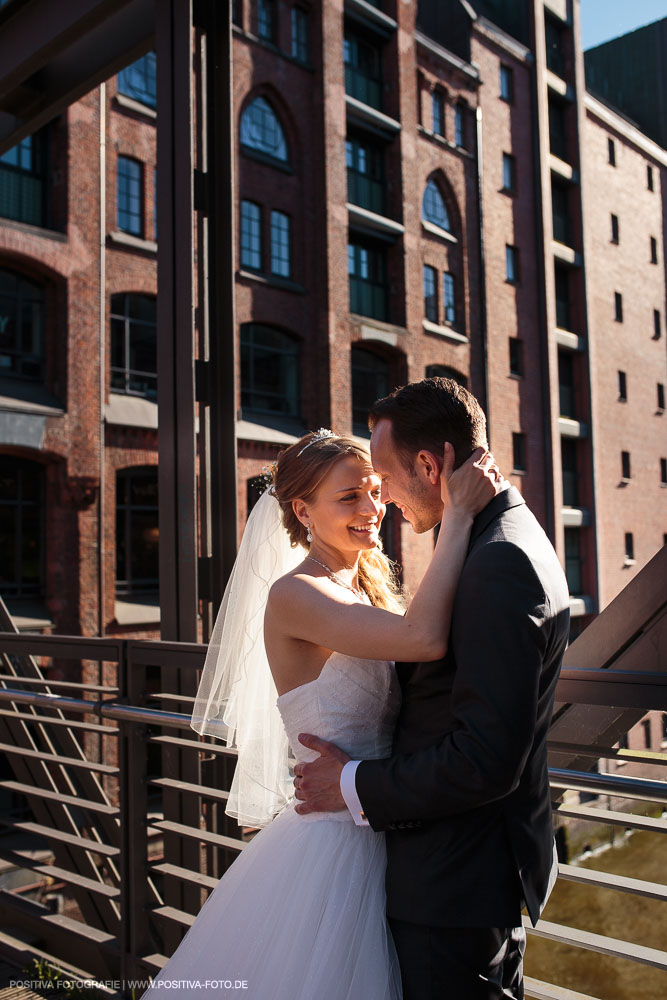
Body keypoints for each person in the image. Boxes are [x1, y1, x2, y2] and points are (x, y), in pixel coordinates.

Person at [139, 426, 503, 1000]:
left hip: (389, 815)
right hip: (337, 845)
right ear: (302, 510)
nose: (373, 508)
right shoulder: (296, 594)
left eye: (376, 491)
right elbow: (425, 637)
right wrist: (457, 517)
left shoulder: (362, 586)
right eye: (349, 497)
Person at [294, 378, 571, 1000]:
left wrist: (349, 783)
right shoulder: (495, 538)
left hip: (452, 880)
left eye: (384, 480)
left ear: (431, 463)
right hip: (445, 870)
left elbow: (485, 759)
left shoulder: (498, 561)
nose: (383, 501)